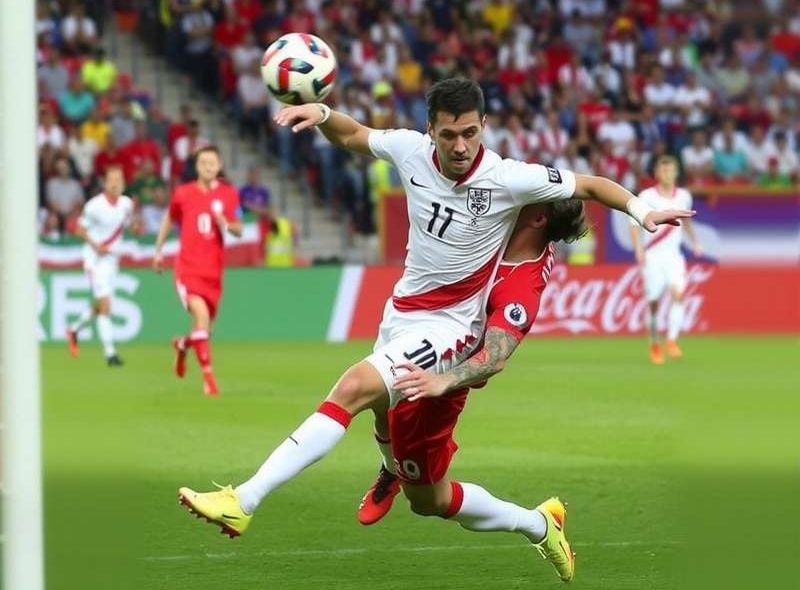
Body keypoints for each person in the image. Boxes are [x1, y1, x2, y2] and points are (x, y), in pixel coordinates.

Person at [176, 79, 691, 583]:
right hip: (403, 309)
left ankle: (244, 500)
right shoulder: (410, 150)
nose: (461, 146)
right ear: (431, 131)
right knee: (428, 497)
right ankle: (529, 519)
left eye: (470, 133)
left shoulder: (514, 194)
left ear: (485, 128)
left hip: (450, 332)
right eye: (449, 135)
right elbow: (358, 136)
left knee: (354, 387)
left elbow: (590, 191)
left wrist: (642, 213)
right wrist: (325, 114)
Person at [356, 199, 587, 533]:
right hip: (423, 332)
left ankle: (538, 523)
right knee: (375, 393)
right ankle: (390, 468)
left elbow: (495, 357)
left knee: (426, 501)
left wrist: (443, 382)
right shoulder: (506, 226)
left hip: (439, 384)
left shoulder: (519, 287)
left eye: (532, 194)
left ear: (538, 219)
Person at [153, 146, 242, 396]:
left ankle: (182, 344)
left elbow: (239, 229)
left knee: (204, 330)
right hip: (188, 268)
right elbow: (169, 218)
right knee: (201, 318)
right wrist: (158, 251)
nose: (208, 166)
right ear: (197, 166)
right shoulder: (183, 193)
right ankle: (209, 379)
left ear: (219, 164)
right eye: (203, 162)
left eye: (212, 162)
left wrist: (225, 223)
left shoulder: (229, 194)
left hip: (213, 272)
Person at [629, 155, 701, 365]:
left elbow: (686, 222)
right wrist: (639, 250)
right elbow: (633, 223)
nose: (668, 174)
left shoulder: (684, 196)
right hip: (653, 256)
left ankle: (671, 340)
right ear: (657, 174)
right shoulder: (647, 195)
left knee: (678, 295)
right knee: (654, 303)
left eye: (671, 171)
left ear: (676, 173)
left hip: (673, 256)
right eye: (664, 170)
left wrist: (694, 241)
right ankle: (654, 343)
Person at [65, 166, 134, 366]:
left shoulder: (126, 204)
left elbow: (131, 226)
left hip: (112, 260)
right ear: (105, 182)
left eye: (118, 180)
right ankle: (110, 354)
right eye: (111, 179)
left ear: (123, 183)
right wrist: (97, 245)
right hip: (94, 259)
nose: (115, 183)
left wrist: (137, 226)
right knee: (105, 306)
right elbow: (78, 229)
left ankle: (74, 329)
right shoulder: (94, 206)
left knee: (102, 304)